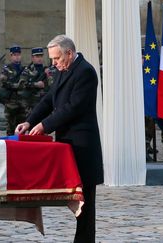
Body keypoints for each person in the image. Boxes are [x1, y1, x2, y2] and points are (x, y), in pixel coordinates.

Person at [15, 35, 104, 242]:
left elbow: (73, 107)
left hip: (83, 144)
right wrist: (30, 121)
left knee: (86, 200)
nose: (53, 63)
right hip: (67, 143)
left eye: (56, 59)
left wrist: (44, 125)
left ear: (69, 54)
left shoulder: (86, 72)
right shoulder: (64, 70)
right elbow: (49, 99)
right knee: (73, 195)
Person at [0, 45, 26, 136]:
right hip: (10, 103)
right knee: (10, 129)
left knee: (22, 129)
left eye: (18, 54)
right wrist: (16, 86)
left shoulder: (24, 69)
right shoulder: (6, 69)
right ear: (11, 56)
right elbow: (3, 83)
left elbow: (26, 83)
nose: (17, 56)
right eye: (15, 55)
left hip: (22, 103)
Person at [19, 47, 53, 118]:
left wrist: (49, 76)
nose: (39, 58)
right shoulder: (27, 70)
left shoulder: (46, 70)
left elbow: (51, 85)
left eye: (41, 56)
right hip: (31, 103)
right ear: (32, 57)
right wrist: (35, 84)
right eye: (37, 56)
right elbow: (22, 84)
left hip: (44, 102)